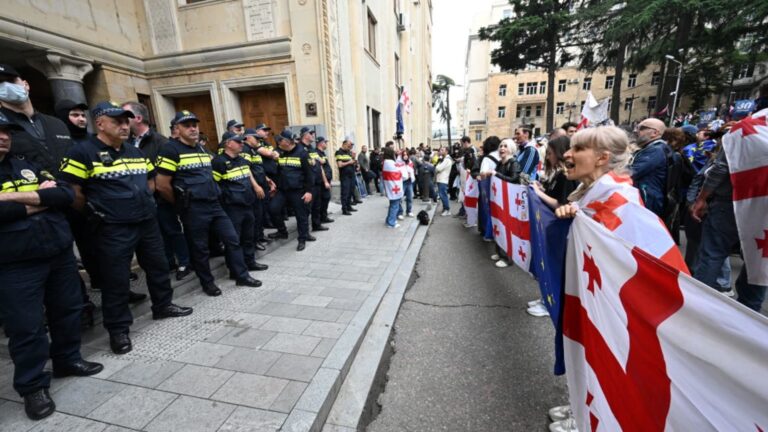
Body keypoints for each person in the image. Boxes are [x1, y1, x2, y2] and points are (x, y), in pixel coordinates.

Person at [59, 101, 193, 354]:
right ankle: (118, 329)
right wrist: (97, 211)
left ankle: (163, 305)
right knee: (116, 279)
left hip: (146, 221)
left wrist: (142, 200)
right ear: (99, 123)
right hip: (113, 228)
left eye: (126, 121)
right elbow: (72, 191)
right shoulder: (81, 152)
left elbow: (152, 180)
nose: (124, 126)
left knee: (158, 267)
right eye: (117, 121)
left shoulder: (134, 151)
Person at [0, 111, 104, 421]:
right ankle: (32, 386)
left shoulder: (24, 163)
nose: (4, 136)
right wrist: (39, 200)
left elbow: (63, 195)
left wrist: (15, 199)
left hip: (57, 253)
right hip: (15, 264)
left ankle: (67, 359)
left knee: (68, 310)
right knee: (27, 328)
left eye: (6, 131)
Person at [155, 111, 261, 296]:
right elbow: (162, 185)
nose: (192, 128)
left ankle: (241, 275)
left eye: (194, 125)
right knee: (200, 249)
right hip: (194, 208)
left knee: (232, 239)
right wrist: (181, 205)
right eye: (187, 125)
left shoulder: (202, 149)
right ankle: (208, 283)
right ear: (177, 129)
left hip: (215, 205)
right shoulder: (170, 149)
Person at [122, 101, 191, 281]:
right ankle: (168, 262)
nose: (121, 121)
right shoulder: (127, 143)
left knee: (172, 229)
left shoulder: (160, 142)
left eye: (125, 116)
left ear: (137, 118)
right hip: (139, 200)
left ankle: (184, 261)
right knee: (158, 234)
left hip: (160, 197)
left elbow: (165, 176)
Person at [0, 64, 73, 176]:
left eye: (11, 80)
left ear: (26, 85)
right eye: (0, 83)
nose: (6, 85)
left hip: (69, 190)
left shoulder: (57, 124)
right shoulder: (3, 127)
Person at [212, 134, 269, 274]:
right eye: (238, 142)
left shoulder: (242, 159)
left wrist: (256, 186)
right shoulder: (218, 162)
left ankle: (250, 262)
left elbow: (248, 174)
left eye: (242, 141)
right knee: (234, 241)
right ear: (228, 143)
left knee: (248, 237)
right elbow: (215, 186)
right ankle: (235, 270)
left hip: (247, 204)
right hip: (232, 207)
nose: (241, 144)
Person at [267, 130, 315, 251]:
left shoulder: (302, 154)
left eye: (280, 140)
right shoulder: (280, 152)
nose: (277, 142)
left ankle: (302, 239)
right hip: (282, 190)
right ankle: (282, 231)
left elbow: (309, 174)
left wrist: (309, 191)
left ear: (287, 142)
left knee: (301, 215)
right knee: (273, 209)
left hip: (298, 190)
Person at [488, 138, 521, 269]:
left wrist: (496, 174)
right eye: (501, 146)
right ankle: (500, 251)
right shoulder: (500, 163)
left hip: (509, 201)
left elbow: (514, 179)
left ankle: (507, 258)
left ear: (511, 149)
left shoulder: (513, 163)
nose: (502, 148)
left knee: (506, 227)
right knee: (499, 225)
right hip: (500, 200)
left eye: (505, 146)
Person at [242, 127, 277, 249]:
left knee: (261, 212)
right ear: (247, 137)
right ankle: (255, 240)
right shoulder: (245, 150)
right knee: (256, 214)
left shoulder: (254, 150)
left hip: (262, 184)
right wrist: (256, 186)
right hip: (255, 187)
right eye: (256, 138)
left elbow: (258, 168)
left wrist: (268, 180)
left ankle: (260, 236)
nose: (258, 140)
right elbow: (246, 170)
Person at [629, 118, 669, 218]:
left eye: (641, 128)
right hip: (647, 199)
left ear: (654, 133)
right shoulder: (654, 148)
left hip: (647, 201)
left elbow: (631, 172)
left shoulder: (655, 150)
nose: (635, 130)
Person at [532, 136, 579, 210]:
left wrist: (538, 192)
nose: (547, 157)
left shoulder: (566, 176)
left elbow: (562, 206)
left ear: (559, 153)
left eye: (550, 153)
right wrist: (542, 189)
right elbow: (555, 194)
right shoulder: (559, 173)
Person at [382, 146, 403, 228]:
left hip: (392, 186)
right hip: (394, 186)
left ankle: (389, 220)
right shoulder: (389, 162)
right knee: (395, 205)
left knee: (393, 204)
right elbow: (399, 173)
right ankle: (391, 223)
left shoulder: (386, 162)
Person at [315, 136, 334, 224]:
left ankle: (324, 216)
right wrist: (325, 181)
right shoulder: (316, 153)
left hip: (326, 179)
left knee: (326, 198)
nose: (326, 144)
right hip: (322, 181)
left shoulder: (322, 153)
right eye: (325, 142)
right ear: (321, 143)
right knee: (323, 199)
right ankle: (322, 217)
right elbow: (320, 168)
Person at [336, 139, 357, 215]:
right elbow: (339, 165)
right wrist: (349, 162)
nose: (350, 147)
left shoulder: (348, 152)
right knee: (345, 192)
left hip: (351, 175)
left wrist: (354, 158)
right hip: (345, 176)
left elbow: (352, 162)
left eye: (351, 146)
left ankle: (349, 206)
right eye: (348, 146)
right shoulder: (339, 152)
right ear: (344, 144)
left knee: (351, 191)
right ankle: (344, 209)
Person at [435, 146, 454, 216]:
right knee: (442, 194)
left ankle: (447, 209)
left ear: (446, 151)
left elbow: (438, 168)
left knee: (443, 195)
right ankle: (445, 208)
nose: (440, 151)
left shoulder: (447, 160)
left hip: (443, 179)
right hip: (441, 179)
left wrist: (438, 165)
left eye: (442, 150)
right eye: (440, 150)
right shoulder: (444, 159)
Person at [397, 150, 415, 218]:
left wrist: (411, 175)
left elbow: (412, 170)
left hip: (409, 182)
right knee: (400, 198)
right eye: (404, 155)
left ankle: (409, 211)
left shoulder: (409, 162)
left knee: (410, 197)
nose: (405, 156)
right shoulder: (398, 162)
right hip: (402, 182)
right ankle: (400, 213)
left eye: (406, 154)